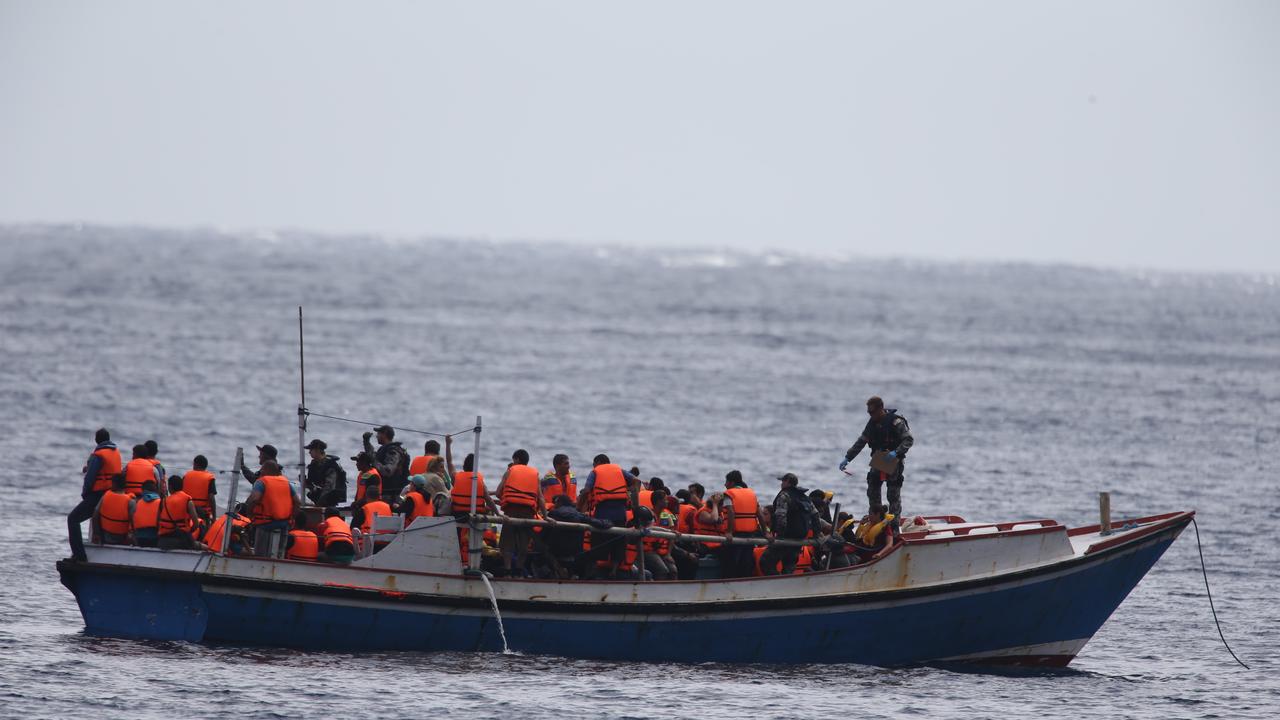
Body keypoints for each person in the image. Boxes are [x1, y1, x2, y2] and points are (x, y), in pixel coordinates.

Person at [840, 395, 914, 518]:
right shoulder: (872, 423)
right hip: (879, 458)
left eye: (872, 412)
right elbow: (861, 441)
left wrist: (896, 452)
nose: (870, 415)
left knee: (893, 495)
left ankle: (893, 528)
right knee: (872, 490)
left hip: (894, 459)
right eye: (869, 412)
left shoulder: (896, 422)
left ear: (881, 409)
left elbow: (908, 440)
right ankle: (876, 521)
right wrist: (848, 458)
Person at [576, 454, 640, 578]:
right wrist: (634, 501)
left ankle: (594, 570)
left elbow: (587, 491)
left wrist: (578, 507)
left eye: (594, 464)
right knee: (619, 541)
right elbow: (637, 481)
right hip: (620, 513)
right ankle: (614, 571)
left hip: (603, 512)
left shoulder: (595, 472)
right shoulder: (620, 470)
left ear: (598, 462)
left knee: (598, 542)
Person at [68, 428, 122, 560]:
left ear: (96, 440)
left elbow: (90, 478)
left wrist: (85, 494)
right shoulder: (116, 452)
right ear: (108, 439)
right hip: (113, 493)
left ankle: (79, 555)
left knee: (72, 519)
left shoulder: (98, 455)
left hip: (98, 494)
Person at [761, 473, 825, 575]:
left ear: (787, 482)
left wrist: (780, 536)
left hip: (786, 536)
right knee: (789, 565)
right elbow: (815, 515)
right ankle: (787, 584)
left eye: (783, 481)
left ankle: (777, 583)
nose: (781, 484)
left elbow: (780, 516)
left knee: (766, 561)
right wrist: (817, 534)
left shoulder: (784, 495)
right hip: (800, 537)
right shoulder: (804, 497)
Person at [494, 449, 543, 576]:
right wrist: (546, 516)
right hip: (527, 512)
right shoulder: (535, 474)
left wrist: (505, 500)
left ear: (516, 460)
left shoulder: (510, 471)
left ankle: (508, 570)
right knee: (523, 544)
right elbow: (540, 497)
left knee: (506, 543)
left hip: (511, 510)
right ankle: (519, 571)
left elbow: (499, 492)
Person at [242, 460, 299, 556]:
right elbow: (297, 502)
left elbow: (255, 500)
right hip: (284, 524)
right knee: (280, 553)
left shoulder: (261, 482)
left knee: (260, 554)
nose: (261, 472)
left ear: (266, 470)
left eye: (262, 470)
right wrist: (292, 517)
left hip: (265, 524)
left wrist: (249, 514)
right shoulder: (287, 483)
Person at [720, 471, 766, 578]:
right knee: (746, 562)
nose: (725, 484)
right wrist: (766, 532)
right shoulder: (752, 494)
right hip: (750, 534)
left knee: (730, 562)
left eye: (726, 482)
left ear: (731, 482)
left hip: (736, 534)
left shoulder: (729, 494)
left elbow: (730, 512)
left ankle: (728, 583)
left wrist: (729, 532)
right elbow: (759, 514)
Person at [363, 425, 409, 502]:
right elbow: (373, 456)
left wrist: (373, 461)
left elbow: (387, 471)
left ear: (384, 434)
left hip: (391, 497)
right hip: (385, 494)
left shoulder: (394, 451)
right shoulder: (385, 450)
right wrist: (366, 442)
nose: (377, 436)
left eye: (378, 434)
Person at [157, 474, 201, 550]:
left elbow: (158, 522)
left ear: (170, 487)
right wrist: (189, 531)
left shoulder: (163, 501)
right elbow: (196, 524)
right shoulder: (188, 501)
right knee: (201, 546)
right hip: (183, 540)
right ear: (182, 486)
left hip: (164, 540)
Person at [94, 473, 135, 546]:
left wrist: (96, 533)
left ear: (113, 484)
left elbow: (95, 514)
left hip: (105, 536)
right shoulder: (131, 502)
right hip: (122, 538)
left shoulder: (105, 496)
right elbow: (134, 522)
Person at [304, 439, 347, 507]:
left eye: (311, 450)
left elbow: (329, 487)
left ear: (317, 450)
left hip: (329, 501)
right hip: (318, 500)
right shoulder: (314, 465)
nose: (309, 452)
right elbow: (313, 485)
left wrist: (319, 504)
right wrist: (305, 482)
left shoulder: (330, 465)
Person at [129, 480, 163, 547]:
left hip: (139, 538)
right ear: (156, 490)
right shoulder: (161, 503)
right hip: (156, 538)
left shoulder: (136, 503)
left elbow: (132, 521)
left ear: (142, 490)